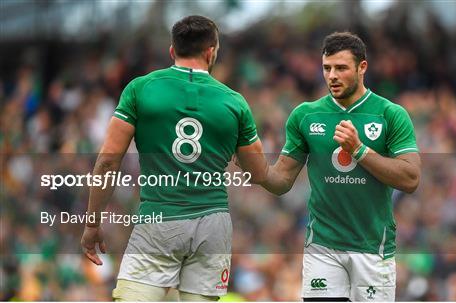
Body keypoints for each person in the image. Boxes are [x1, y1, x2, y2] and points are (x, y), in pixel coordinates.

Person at [80, 15, 266, 301]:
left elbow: (107, 161)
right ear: (211, 51)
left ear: (172, 51)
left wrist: (93, 223)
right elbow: (260, 173)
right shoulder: (234, 101)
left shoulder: (140, 89)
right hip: (213, 224)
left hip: (160, 218)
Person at [259, 32, 421, 301]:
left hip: (372, 247)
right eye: (327, 68)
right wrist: (255, 168)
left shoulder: (390, 114)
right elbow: (281, 180)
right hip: (323, 245)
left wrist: (359, 150)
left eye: (341, 68)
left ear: (362, 68)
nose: (332, 75)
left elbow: (411, 179)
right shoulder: (305, 115)